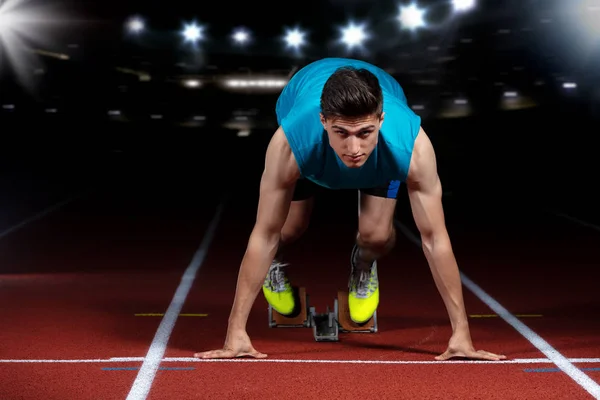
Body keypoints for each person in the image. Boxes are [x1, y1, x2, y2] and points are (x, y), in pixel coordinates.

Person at [195, 57, 506, 361]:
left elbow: (435, 238)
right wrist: (235, 332)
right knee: (288, 228)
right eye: (341, 132)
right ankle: (273, 266)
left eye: (365, 133)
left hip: (381, 155)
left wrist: (461, 333)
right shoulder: (292, 143)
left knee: (375, 237)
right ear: (323, 121)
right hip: (311, 142)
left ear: (381, 120)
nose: (354, 149)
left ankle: (363, 267)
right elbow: (264, 233)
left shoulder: (410, 147)